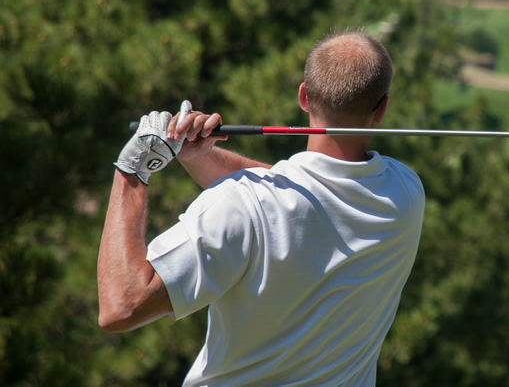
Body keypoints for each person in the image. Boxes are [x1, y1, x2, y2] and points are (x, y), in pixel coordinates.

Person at [98, 29, 425, 386]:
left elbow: (122, 306)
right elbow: (302, 191)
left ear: (303, 96)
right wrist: (201, 157)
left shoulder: (242, 204)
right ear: (381, 109)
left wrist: (133, 169)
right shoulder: (406, 193)